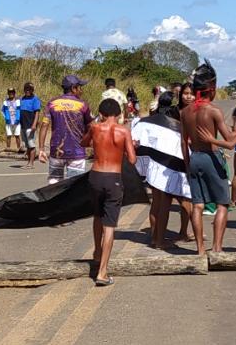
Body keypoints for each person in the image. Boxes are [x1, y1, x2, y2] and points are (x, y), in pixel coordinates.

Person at [181, 63, 236, 253]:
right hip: (211, 157)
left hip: (195, 158)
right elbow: (230, 139)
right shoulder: (213, 111)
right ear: (212, 89)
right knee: (222, 203)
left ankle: (200, 249)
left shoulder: (185, 112)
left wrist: (187, 165)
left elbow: (183, 143)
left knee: (198, 204)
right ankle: (217, 247)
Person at [132, 91, 193, 250]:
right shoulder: (176, 127)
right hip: (167, 170)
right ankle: (160, 240)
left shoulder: (149, 122)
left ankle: (154, 237)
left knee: (156, 205)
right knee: (165, 205)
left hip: (153, 168)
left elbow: (137, 141)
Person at [85, 98, 136, 285]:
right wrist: (125, 148)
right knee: (110, 225)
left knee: (97, 216)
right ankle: (102, 273)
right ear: (119, 114)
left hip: (96, 176)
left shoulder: (95, 128)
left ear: (101, 113)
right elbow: (132, 160)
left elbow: (84, 143)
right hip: (113, 178)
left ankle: (97, 252)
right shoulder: (124, 131)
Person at [39, 75, 94, 184]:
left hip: (56, 151)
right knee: (74, 187)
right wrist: (90, 143)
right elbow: (91, 126)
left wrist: (41, 149)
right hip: (76, 152)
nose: (81, 90)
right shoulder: (83, 105)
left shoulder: (52, 103)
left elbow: (44, 125)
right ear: (74, 88)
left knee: (54, 184)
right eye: (79, 87)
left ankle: (55, 201)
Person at [18, 83, 41, 169]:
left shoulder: (35, 99)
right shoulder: (22, 99)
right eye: (26, 89)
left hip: (30, 125)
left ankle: (31, 163)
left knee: (31, 145)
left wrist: (34, 124)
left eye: (29, 89)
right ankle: (28, 162)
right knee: (27, 145)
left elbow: (37, 113)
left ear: (32, 90)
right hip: (23, 125)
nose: (27, 90)